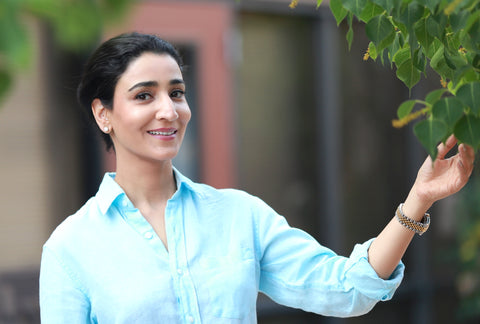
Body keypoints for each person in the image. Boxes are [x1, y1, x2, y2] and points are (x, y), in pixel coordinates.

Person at [39, 32, 475, 323]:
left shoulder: (238, 215)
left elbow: (347, 290)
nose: (169, 110)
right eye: (143, 96)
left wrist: (417, 200)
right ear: (103, 114)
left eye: (176, 92)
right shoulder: (70, 250)